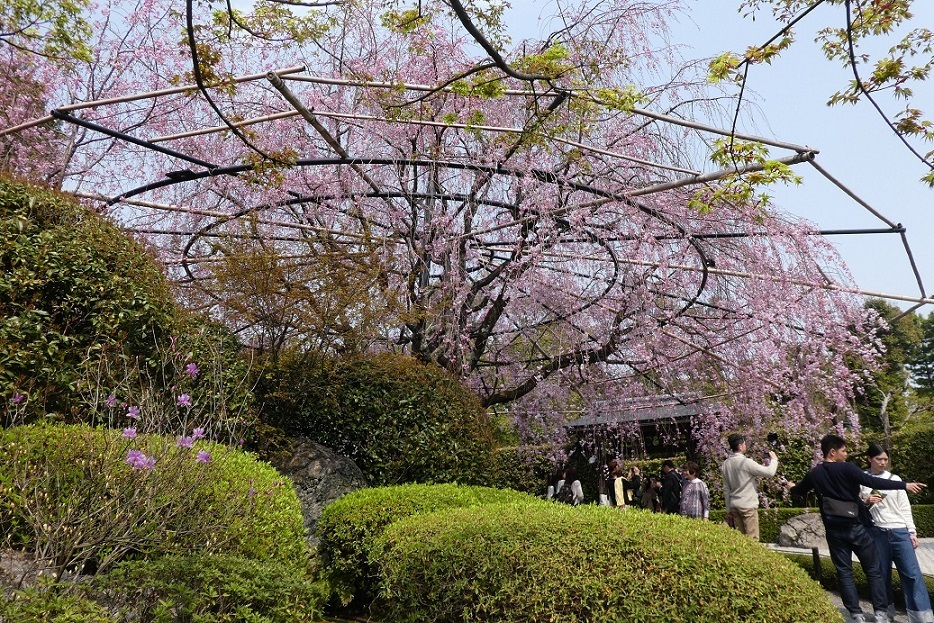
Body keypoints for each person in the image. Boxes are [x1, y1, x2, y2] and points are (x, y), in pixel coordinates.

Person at [786, 434, 927, 623]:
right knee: (873, 570)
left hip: (834, 530)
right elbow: (874, 482)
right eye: (843, 451)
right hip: (857, 527)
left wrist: (791, 486)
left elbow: (799, 490)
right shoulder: (848, 468)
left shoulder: (815, 473)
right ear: (832, 452)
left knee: (844, 572)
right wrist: (904, 485)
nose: (846, 454)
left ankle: (856, 615)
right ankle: (880, 614)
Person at [859, 443, 933, 623]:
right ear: (869, 459)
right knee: (880, 574)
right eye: (879, 459)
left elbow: (904, 508)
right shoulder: (861, 479)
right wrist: (867, 500)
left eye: (885, 459)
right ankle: (885, 614)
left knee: (912, 574)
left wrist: (912, 531)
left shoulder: (895, 478)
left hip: (899, 531)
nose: (883, 462)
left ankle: (922, 617)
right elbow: (856, 507)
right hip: (876, 532)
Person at [721, 433, 778, 540]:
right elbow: (770, 472)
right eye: (744, 444)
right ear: (740, 446)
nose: (746, 446)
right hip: (748, 505)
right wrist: (774, 460)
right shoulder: (746, 462)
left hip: (734, 506)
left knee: (741, 540)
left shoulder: (726, 464)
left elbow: (726, 489)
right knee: (753, 539)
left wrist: (728, 509)